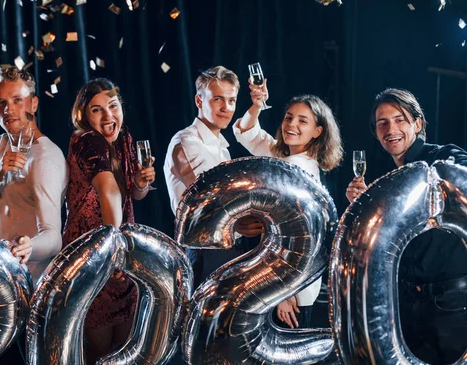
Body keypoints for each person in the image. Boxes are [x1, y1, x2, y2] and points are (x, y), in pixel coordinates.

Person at [346, 88, 467, 363]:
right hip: (406, 307)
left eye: (399, 119)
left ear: (417, 123)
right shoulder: (385, 179)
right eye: (382, 123)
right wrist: (364, 204)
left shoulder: (443, 156)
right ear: (376, 133)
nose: (391, 129)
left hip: (452, 306)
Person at [0, 66, 67, 363]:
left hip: (32, 289)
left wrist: (28, 247)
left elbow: (54, 238)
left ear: (33, 104)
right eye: (1, 103)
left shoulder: (45, 157)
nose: (8, 110)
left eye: (17, 100)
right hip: (1, 285)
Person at [233, 81, 343, 329]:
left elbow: (297, 238)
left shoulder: (297, 168)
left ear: (318, 131)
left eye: (302, 121)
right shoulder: (286, 158)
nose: (291, 125)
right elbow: (247, 133)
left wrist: (283, 293)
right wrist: (257, 105)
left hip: (287, 291)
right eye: (288, 117)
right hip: (286, 285)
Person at [63, 78, 155, 363]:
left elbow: (132, 196)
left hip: (120, 258)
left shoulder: (125, 138)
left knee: (124, 351)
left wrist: (140, 183)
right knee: (99, 353)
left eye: (113, 106)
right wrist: (114, 252)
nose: (108, 116)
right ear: (84, 116)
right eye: (97, 110)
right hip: (95, 259)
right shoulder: (87, 141)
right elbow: (110, 190)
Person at [164, 66, 264, 290]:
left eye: (231, 100)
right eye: (218, 99)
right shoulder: (187, 142)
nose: (226, 108)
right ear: (199, 101)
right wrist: (238, 223)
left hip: (226, 249)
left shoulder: (221, 147)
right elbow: (209, 199)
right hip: (202, 253)